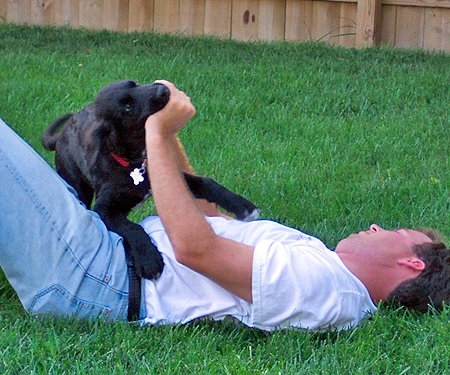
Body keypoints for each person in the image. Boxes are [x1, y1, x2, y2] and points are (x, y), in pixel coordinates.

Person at [0, 81, 448, 331]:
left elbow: (196, 249)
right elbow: (207, 222)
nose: (375, 226)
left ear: (412, 263)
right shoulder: (321, 262)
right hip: (100, 253)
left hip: (97, 275)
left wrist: (155, 135)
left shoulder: (326, 287)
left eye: (393, 231)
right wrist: (161, 128)